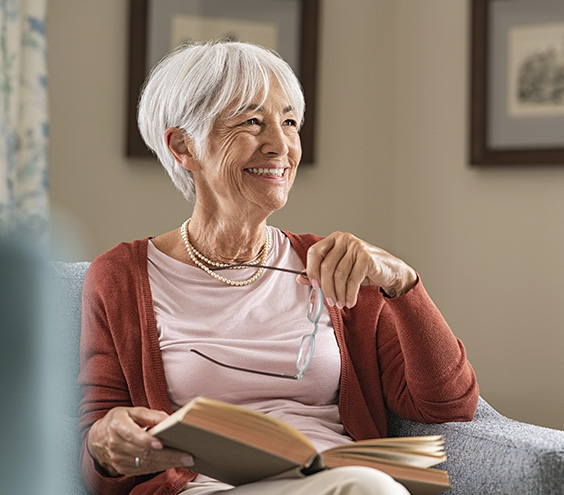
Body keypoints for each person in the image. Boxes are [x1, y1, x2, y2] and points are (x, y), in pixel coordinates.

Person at [79, 41, 479, 495]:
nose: (281, 145)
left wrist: (403, 284)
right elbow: (99, 460)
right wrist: (106, 443)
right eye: (253, 122)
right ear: (183, 145)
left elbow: (449, 405)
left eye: (289, 122)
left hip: (334, 479)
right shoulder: (120, 277)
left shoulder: (335, 266)